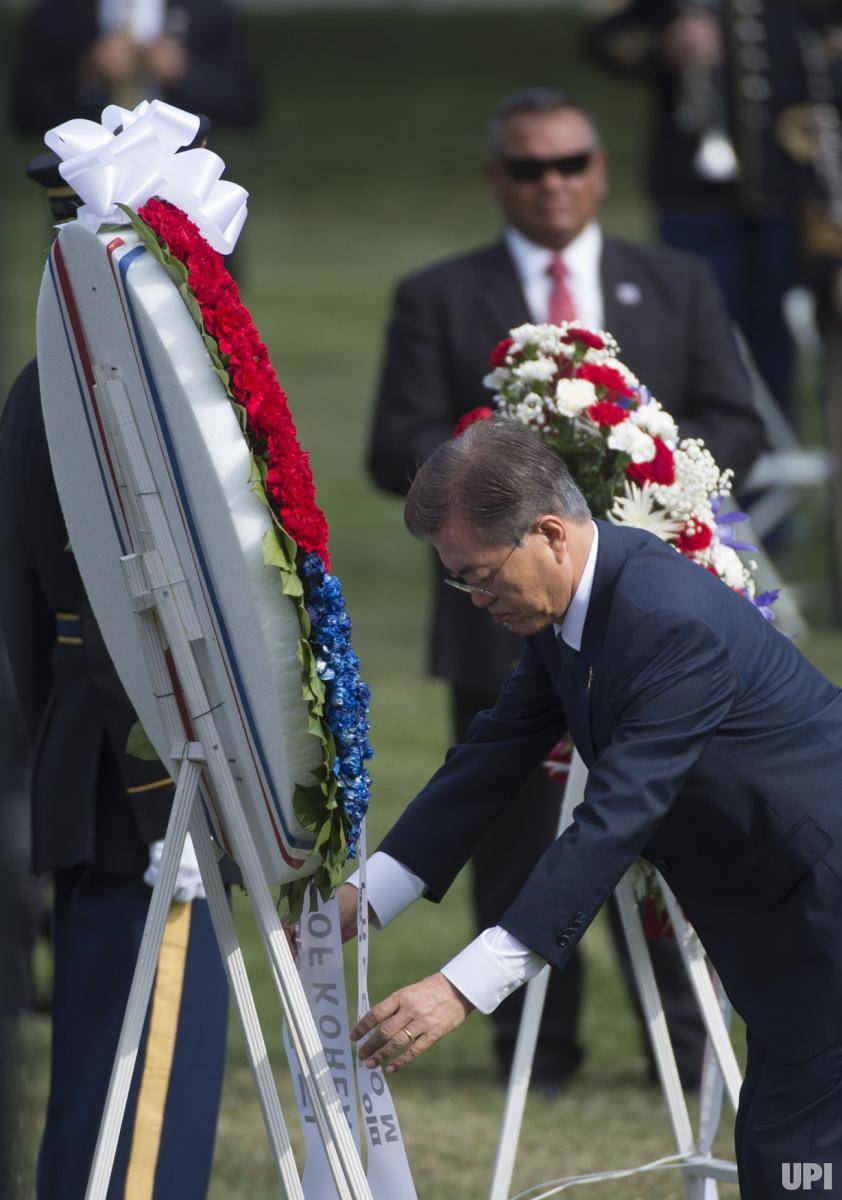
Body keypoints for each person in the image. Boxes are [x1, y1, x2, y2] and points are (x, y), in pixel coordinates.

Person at [367, 86, 764, 1090]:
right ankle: (531, 1051)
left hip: (651, 602)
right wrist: (502, 478)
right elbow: (392, 445)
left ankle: (678, 1045)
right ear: (497, 178)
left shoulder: (670, 282)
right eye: (528, 167)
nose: (552, 183)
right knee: (507, 823)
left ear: (599, 169)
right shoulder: (437, 293)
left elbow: (734, 418)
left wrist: (646, 496)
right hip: (501, 610)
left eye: (570, 162)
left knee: (652, 815)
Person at [346, 419, 842, 1196]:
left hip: (823, 925)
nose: (475, 600)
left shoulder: (664, 622)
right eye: (458, 582)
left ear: (548, 534)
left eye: (479, 576)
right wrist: (366, 897)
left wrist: (461, 986)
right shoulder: (578, 606)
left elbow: (613, 821)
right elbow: (493, 753)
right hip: (789, 936)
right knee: (786, 1165)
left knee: (796, 1171)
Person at [0, 156, 231, 1200]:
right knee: (131, 1085)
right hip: (138, 776)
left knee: (136, 1074)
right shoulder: (94, 389)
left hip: (122, 764)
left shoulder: (86, 379)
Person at [588, 1, 805, 418]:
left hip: (783, 187)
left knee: (774, 327)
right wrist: (664, 46)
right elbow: (606, 40)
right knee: (698, 326)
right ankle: (708, 443)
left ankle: (772, 451)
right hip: (692, 194)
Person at [10, 0, 261, 136]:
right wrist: (88, 75)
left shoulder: (206, 9)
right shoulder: (59, 11)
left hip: (185, 187)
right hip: (88, 190)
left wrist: (184, 72)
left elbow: (246, 105)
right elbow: (24, 112)